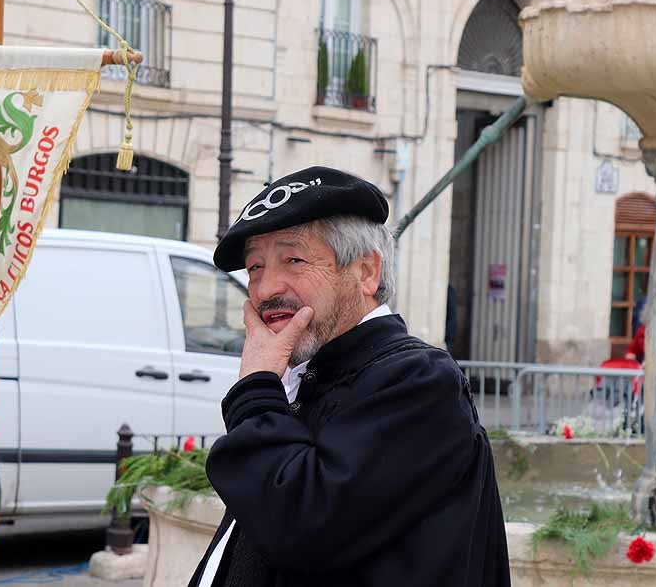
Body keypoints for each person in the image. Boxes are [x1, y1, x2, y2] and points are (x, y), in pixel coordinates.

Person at [189, 167, 510, 587]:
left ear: (366, 272)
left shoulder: (418, 381)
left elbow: (299, 526)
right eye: (254, 268)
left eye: (294, 259)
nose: (265, 288)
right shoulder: (310, 375)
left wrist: (255, 393)